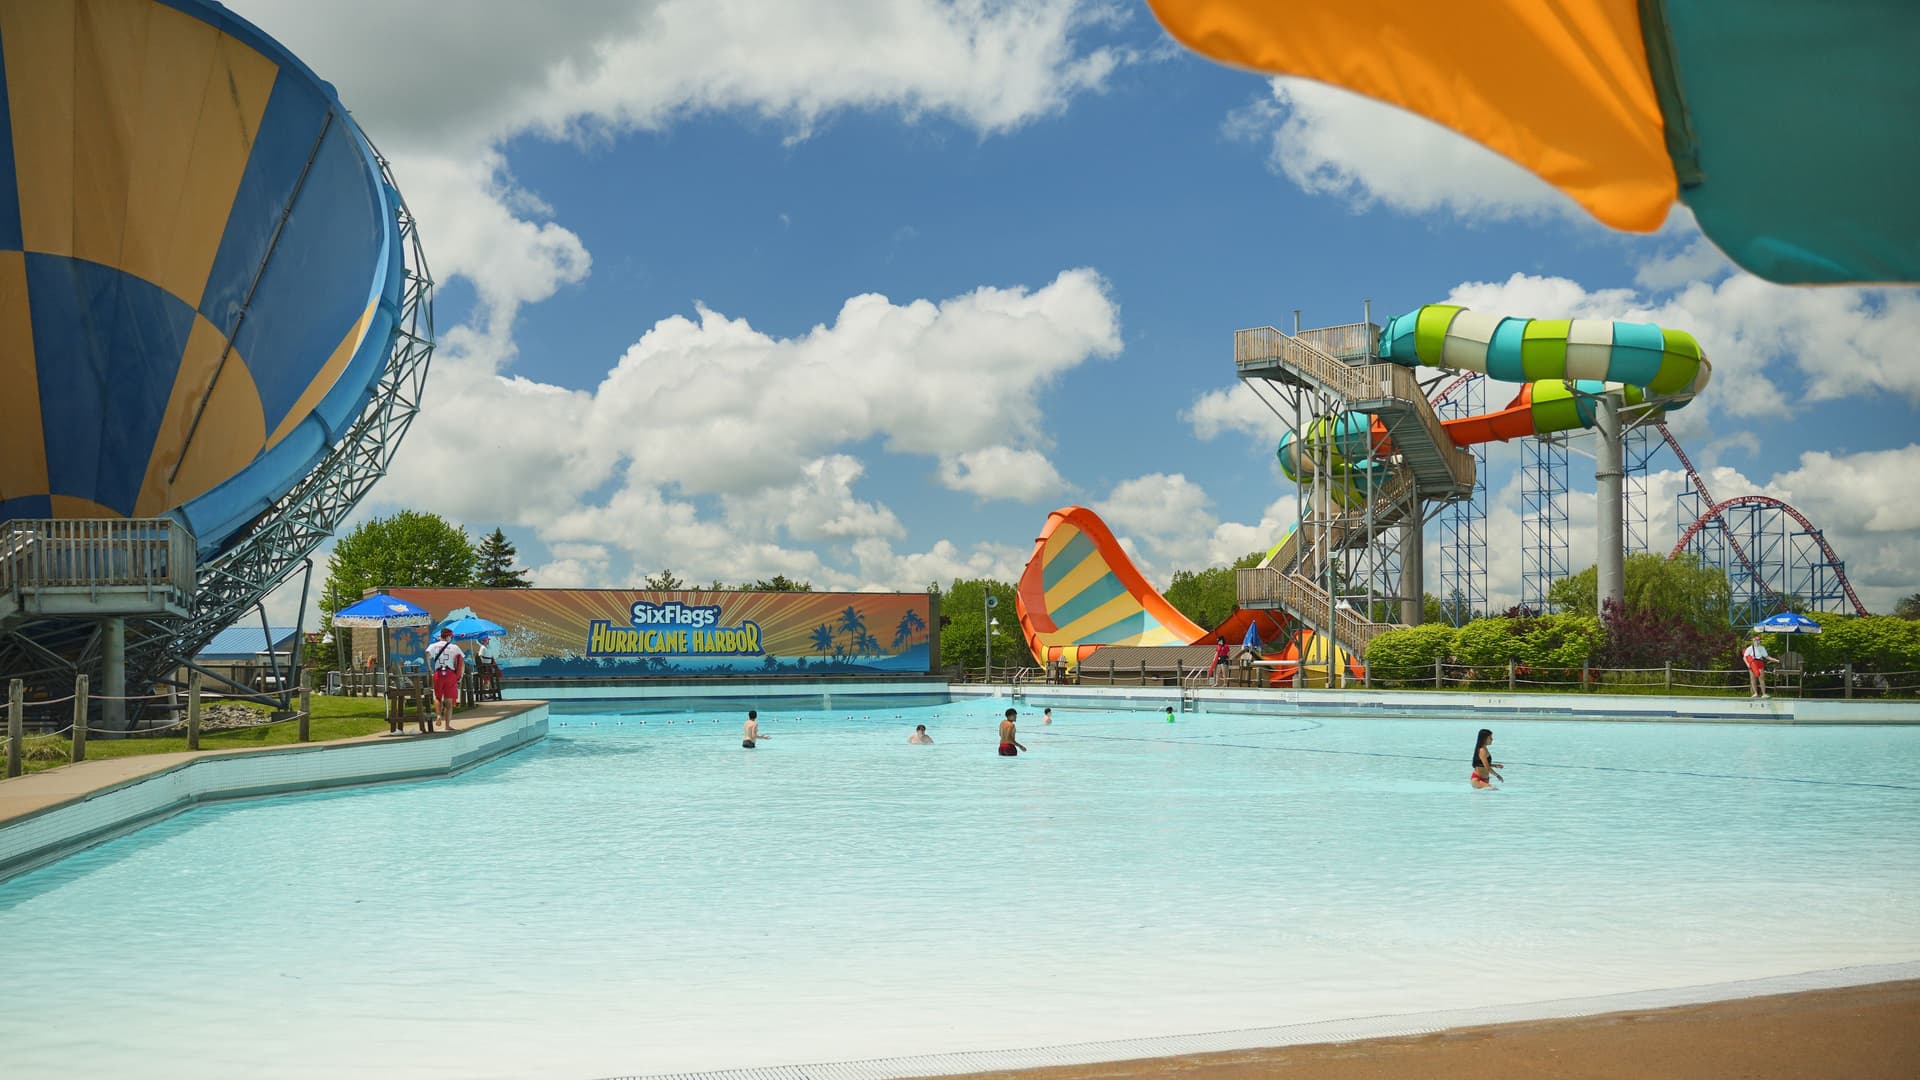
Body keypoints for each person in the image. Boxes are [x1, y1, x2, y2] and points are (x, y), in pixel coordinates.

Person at [425, 628, 464, 733]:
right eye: (450, 636)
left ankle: (438, 715)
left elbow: (427, 655)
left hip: (438, 673)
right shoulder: (454, 647)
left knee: (437, 696)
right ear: (448, 636)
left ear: (441, 636)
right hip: (450, 674)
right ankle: (447, 725)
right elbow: (461, 661)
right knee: (449, 701)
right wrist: (460, 676)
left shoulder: (433, 646)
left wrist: (430, 668)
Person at [1742, 633, 1775, 698]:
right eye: (1755, 640)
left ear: (1760, 641)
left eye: (1758, 640)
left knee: (1761, 678)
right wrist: (1748, 664)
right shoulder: (1750, 648)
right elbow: (1744, 657)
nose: (1757, 641)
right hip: (1752, 663)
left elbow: (1767, 657)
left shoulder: (1762, 648)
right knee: (1753, 679)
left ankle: (1764, 694)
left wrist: (1775, 660)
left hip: (1760, 662)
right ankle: (1755, 693)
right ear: (1753, 641)